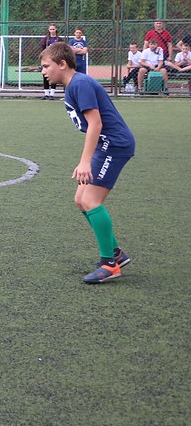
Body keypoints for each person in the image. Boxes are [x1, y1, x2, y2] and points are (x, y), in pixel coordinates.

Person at [39, 42, 134, 284]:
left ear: (62, 64)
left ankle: (109, 265)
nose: (43, 71)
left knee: (91, 200)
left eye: (46, 66)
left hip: (114, 144)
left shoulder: (80, 84)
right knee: (81, 200)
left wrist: (85, 162)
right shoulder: (73, 85)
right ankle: (116, 253)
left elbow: (96, 124)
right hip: (106, 144)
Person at [38, 24, 64, 99]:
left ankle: (52, 94)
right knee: (45, 76)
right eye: (50, 29)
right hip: (47, 60)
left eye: (53, 29)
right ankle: (46, 94)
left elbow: (61, 49)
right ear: (49, 30)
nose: (52, 30)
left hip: (55, 60)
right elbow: (42, 49)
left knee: (53, 76)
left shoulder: (59, 39)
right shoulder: (46, 39)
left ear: (56, 29)